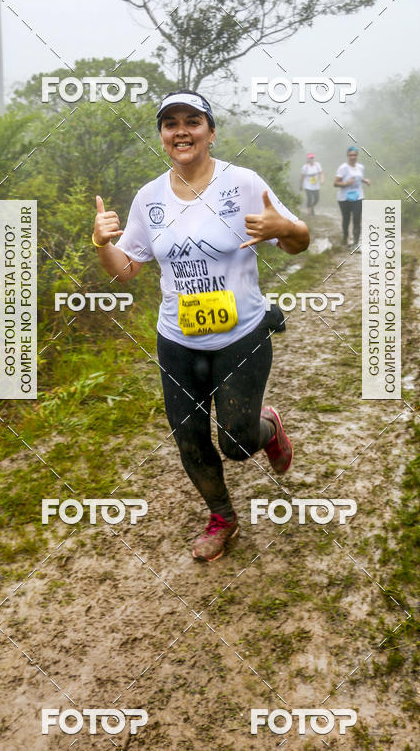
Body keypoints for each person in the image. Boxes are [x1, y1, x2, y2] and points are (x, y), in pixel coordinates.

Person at [92, 90, 310, 562]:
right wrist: (101, 243)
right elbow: (124, 270)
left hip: (241, 335)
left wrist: (285, 230)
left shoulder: (244, 183)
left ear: (211, 131)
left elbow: (299, 242)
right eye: (171, 124)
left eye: (193, 121)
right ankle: (222, 518)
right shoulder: (149, 197)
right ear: (163, 136)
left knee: (235, 442)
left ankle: (267, 428)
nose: (181, 131)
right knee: (189, 437)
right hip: (176, 339)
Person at [333, 145, 371, 247]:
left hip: (358, 196)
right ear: (347, 156)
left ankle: (355, 242)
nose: (352, 157)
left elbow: (359, 177)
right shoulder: (343, 168)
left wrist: (365, 180)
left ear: (357, 155)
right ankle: (345, 238)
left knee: (357, 219)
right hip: (344, 198)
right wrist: (346, 183)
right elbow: (335, 183)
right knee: (346, 219)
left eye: (354, 155)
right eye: (350, 155)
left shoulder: (360, 167)